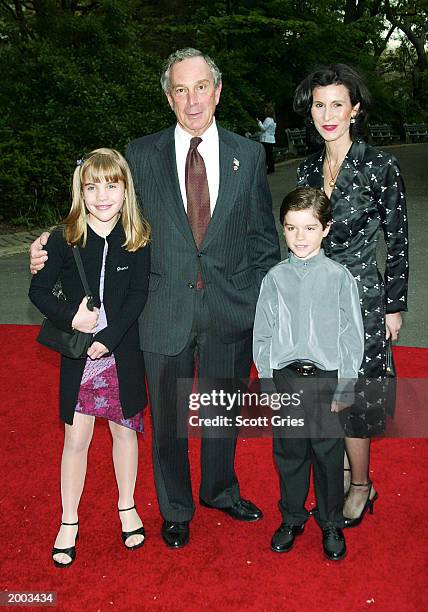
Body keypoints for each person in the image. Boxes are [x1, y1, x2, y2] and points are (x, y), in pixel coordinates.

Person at [30, 48, 280, 548]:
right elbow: (103, 206)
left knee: (221, 411)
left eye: (201, 87)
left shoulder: (249, 155)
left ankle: (220, 491)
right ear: (169, 97)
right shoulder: (140, 154)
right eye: (181, 90)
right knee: (167, 420)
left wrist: (253, 301)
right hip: (160, 309)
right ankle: (176, 507)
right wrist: (49, 242)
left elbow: (262, 240)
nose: (192, 100)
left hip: (230, 309)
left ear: (218, 91)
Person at [293, 64, 409, 526]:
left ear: (355, 109)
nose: (327, 113)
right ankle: (344, 470)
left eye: (337, 104)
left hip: (363, 296)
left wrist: (395, 305)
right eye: (319, 105)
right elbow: (299, 238)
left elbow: (398, 239)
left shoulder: (380, 166)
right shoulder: (305, 167)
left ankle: (361, 485)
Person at [29, 149, 151, 567]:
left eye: (111, 185)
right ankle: (68, 520)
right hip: (81, 357)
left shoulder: (138, 236)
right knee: (76, 440)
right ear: (81, 191)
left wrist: (111, 338)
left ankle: (127, 506)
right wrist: (74, 318)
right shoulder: (64, 238)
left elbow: (138, 294)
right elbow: (38, 292)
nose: (102, 195)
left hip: (120, 354)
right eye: (92, 186)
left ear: (124, 189)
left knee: (124, 434)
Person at [254, 187, 364, 561]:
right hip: (285, 378)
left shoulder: (339, 278)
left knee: (327, 454)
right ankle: (293, 517)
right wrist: (267, 380)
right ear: (282, 230)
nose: (300, 238)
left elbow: (352, 334)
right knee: (289, 451)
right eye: (291, 228)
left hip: (325, 379)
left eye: (309, 228)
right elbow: (263, 333)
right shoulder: (274, 279)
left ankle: (331, 521)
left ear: (326, 229)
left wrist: (346, 383)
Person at [257, 105, 277, 174]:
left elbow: (263, 128)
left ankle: (269, 169)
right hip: (271, 139)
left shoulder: (268, 119)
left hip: (266, 139)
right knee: (270, 155)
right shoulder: (273, 120)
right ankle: (271, 168)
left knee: (267, 155)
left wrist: (259, 122)